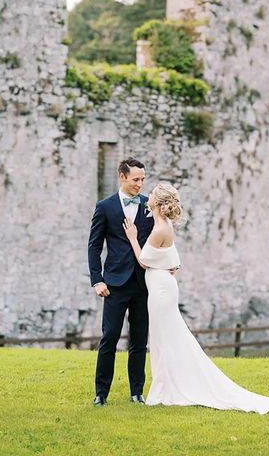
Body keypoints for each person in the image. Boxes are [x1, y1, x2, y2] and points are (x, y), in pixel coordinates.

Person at [123, 182, 269, 416]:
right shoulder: (163, 224)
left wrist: (132, 237)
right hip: (163, 286)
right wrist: (174, 264)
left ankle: (167, 388)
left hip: (160, 290)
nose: (146, 195)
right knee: (166, 339)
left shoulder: (160, 229)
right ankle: (167, 386)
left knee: (165, 340)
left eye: (151, 195)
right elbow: (170, 253)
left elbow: (143, 260)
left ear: (160, 205)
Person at [88, 157, 154, 406]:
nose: (140, 184)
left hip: (143, 283)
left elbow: (161, 239)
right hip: (114, 284)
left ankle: (137, 392)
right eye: (136, 179)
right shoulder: (105, 207)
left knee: (139, 340)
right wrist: (97, 280)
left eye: (143, 179)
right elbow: (94, 247)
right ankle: (100, 394)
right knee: (109, 338)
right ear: (122, 177)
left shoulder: (150, 206)